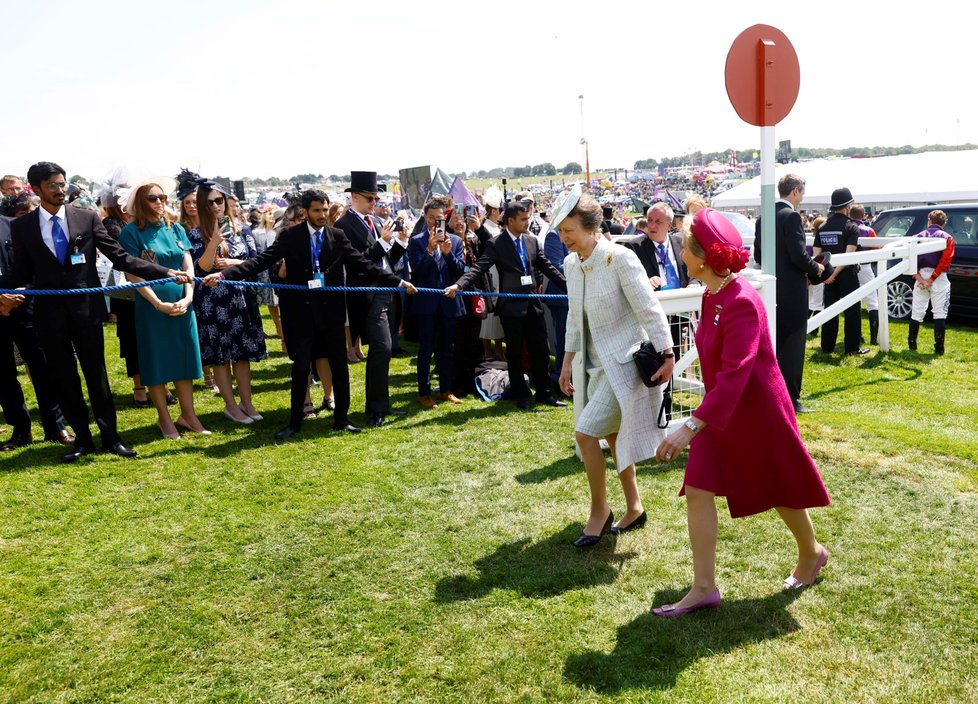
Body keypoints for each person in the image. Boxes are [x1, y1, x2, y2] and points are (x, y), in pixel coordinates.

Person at [652, 209, 830, 618]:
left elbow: (736, 375)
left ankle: (812, 552)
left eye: (685, 243)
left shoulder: (742, 300)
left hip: (757, 414)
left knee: (779, 486)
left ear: (702, 256)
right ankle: (703, 588)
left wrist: (690, 425)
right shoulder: (711, 292)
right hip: (719, 412)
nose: (681, 251)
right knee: (697, 489)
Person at [1, 161, 188, 462]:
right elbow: (20, 271)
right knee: (64, 378)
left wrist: (165, 271)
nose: (61, 190)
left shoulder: (86, 217)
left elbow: (119, 257)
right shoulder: (22, 226)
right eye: (53, 185)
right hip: (49, 317)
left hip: (86, 312)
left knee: (97, 376)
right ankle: (82, 440)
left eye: (63, 184)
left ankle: (112, 438)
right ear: (35, 188)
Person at [202, 190, 416, 439]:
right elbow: (262, 260)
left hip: (331, 314)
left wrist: (397, 282)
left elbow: (364, 264)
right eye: (317, 211)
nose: (323, 215)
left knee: (339, 367)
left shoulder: (338, 235)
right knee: (301, 367)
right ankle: (295, 422)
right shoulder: (291, 236)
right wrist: (222, 275)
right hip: (300, 315)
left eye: (325, 210)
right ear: (306, 212)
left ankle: (341, 418)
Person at [556, 193, 674, 547]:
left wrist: (668, 353)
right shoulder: (570, 264)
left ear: (593, 228)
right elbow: (574, 320)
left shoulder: (620, 258)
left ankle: (600, 512)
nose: (565, 237)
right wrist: (566, 364)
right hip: (592, 366)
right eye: (561, 231)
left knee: (585, 433)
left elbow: (648, 308)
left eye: (570, 230)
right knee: (610, 435)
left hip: (623, 364)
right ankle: (635, 507)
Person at [446, 200, 567, 410]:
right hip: (511, 308)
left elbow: (548, 268)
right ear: (510, 221)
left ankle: (544, 393)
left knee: (541, 349)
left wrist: (569, 287)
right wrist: (459, 285)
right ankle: (522, 395)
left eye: (528, 217)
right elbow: (479, 267)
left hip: (533, 305)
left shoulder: (531, 242)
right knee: (514, 352)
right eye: (523, 219)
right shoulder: (496, 243)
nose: (527, 222)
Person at [118, 179, 209, 438]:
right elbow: (133, 274)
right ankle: (164, 418)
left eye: (163, 197)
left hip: (182, 303)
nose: (160, 202)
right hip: (152, 307)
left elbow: (188, 264)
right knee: (156, 361)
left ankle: (188, 415)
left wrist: (189, 297)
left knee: (185, 358)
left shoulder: (176, 229)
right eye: (153, 198)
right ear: (139, 203)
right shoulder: (131, 232)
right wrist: (158, 304)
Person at [189, 179, 267, 424]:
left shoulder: (242, 229)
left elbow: (255, 260)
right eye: (210, 202)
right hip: (213, 301)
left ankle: (247, 402)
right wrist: (212, 242)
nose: (215, 206)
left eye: (219, 200)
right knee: (221, 355)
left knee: (242, 353)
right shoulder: (193, 233)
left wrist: (232, 264)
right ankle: (231, 406)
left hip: (241, 297)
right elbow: (199, 269)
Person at [334, 171, 409, 420]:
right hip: (368, 295)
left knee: (383, 351)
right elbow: (360, 264)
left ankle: (380, 404)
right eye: (370, 198)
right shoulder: (343, 226)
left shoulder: (375, 221)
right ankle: (376, 406)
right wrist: (384, 243)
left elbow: (387, 261)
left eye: (376, 199)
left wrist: (400, 242)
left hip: (386, 291)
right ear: (354, 196)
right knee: (382, 348)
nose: (374, 203)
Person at [0, 211, 73, 450]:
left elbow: (36, 265)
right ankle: (20, 429)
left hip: (27, 306)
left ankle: (56, 426)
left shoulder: (14, 226)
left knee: (43, 368)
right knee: (3, 375)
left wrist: (19, 294)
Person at [753, 174, 824, 413]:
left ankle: (771, 392)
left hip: (770, 289)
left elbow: (759, 256)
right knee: (793, 345)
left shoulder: (763, 217)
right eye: (802, 193)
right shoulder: (791, 216)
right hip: (792, 290)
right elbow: (798, 255)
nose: (802, 198)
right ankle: (791, 398)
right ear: (794, 191)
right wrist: (817, 268)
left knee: (773, 342)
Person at [408, 204, 466, 411]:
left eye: (439, 218)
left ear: (445, 218)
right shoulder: (416, 241)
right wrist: (430, 251)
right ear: (424, 217)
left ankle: (446, 389)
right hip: (427, 304)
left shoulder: (456, 241)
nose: (435, 222)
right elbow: (417, 271)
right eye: (431, 218)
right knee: (426, 349)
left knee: (447, 349)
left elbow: (461, 271)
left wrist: (449, 254)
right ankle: (424, 392)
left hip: (449, 303)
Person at [813, 187, 868, 356]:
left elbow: (816, 255)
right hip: (846, 274)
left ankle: (827, 346)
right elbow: (848, 255)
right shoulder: (851, 227)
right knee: (852, 310)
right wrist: (835, 274)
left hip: (827, 275)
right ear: (847, 207)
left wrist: (826, 275)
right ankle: (852, 348)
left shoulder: (822, 227)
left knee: (830, 309)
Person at [908, 210, 955, 355]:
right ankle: (939, 348)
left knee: (917, 311)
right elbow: (946, 260)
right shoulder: (948, 238)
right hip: (938, 277)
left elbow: (909, 258)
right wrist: (932, 278)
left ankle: (912, 345)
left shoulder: (916, 237)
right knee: (940, 312)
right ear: (944, 222)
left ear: (929, 220)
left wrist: (919, 277)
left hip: (921, 274)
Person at [849, 204, 880, 345]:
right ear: (863, 216)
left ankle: (858, 335)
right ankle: (873, 339)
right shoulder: (869, 230)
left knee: (852, 303)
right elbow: (877, 250)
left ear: (850, 215)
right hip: (865, 267)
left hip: (848, 267)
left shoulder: (847, 228)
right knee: (872, 303)